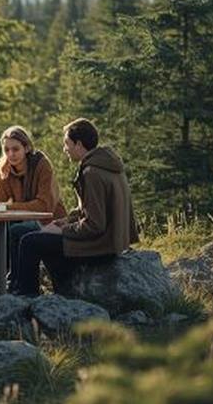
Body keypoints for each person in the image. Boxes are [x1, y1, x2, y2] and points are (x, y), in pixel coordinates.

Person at [14, 118, 139, 296]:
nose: (65, 149)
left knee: (30, 242)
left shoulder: (91, 173)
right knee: (37, 236)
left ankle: (27, 296)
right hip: (113, 242)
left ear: (79, 144)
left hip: (100, 247)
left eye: (67, 144)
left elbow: (95, 225)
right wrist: (63, 222)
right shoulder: (107, 164)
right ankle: (64, 289)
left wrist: (63, 231)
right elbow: (88, 211)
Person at [0, 125, 67, 302]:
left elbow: (44, 206)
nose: (11, 154)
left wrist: (7, 207)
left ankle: (16, 286)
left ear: (27, 147)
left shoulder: (41, 165)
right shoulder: (5, 170)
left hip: (50, 222)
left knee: (17, 231)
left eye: (15, 149)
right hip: (22, 219)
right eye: (6, 150)